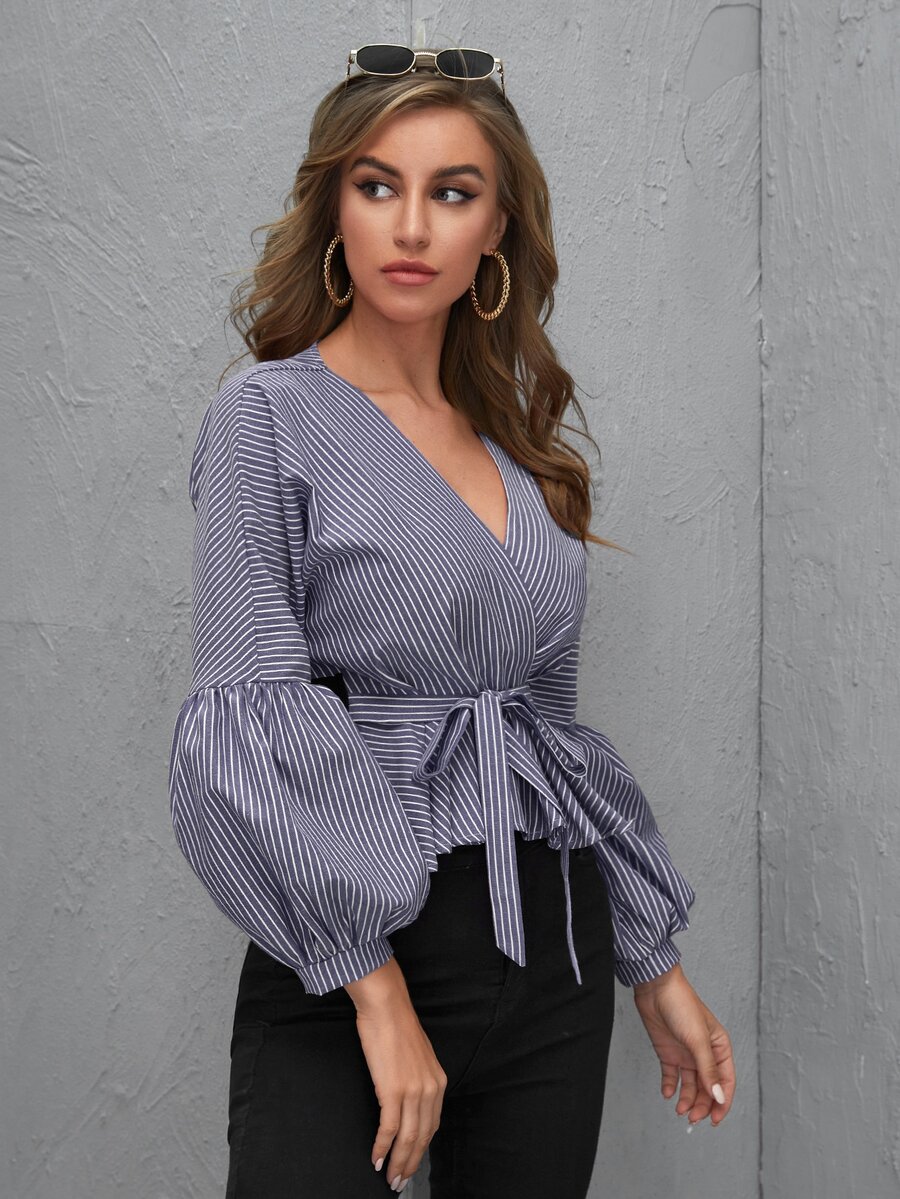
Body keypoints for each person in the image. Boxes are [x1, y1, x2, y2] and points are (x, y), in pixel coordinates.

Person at [167, 44, 736, 1198]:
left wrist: (651, 958)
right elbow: (248, 713)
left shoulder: (519, 447)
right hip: (357, 946)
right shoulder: (266, 417)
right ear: (334, 208)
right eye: (378, 185)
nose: (413, 225)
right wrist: (375, 989)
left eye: (454, 191)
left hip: (551, 945)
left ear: (497, 229)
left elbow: (550, 741)